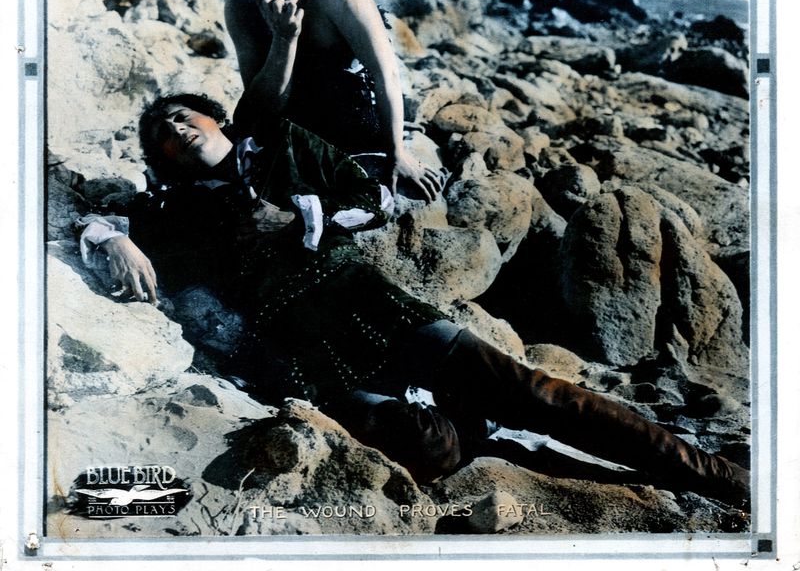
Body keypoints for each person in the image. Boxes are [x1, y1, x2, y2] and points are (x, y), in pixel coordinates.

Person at [78, 93, 750, 505]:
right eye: (162, 131)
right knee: (424, 449)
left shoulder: (282, 144)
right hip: (310, 360)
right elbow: (93, 222)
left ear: (213, 116)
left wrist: (295, 218)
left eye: (181, 113)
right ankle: (473, 427)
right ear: (164, 155)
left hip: (378, 310)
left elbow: (372, 198)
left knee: (543, 396)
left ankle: (719, 476)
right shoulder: (170, 213)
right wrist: (114, 239)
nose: (175, 126)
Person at [223, 0, 442, 200]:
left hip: (353, 115)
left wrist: (398, 154)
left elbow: (386, 73)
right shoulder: (240, 4)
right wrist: (284, 40)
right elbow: (259, 110)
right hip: (292, 122)